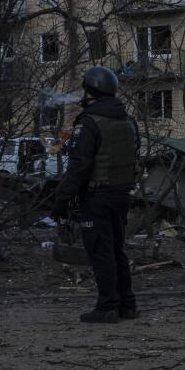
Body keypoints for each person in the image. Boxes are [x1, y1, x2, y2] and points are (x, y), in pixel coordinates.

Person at [54, 66, 139, 323]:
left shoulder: (88, 122)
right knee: (117, 250)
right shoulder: (127, 120)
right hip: (122, 194)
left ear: (91, 91)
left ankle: (107, 308)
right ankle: (127, 305)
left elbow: (79, 167)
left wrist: (61, 200)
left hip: (97, 196)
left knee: (101, 252)